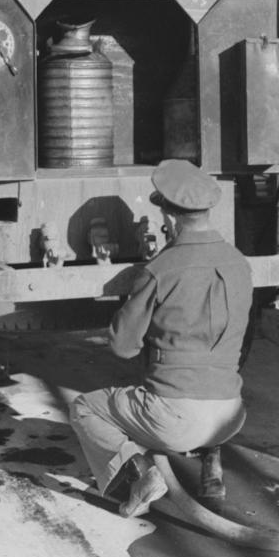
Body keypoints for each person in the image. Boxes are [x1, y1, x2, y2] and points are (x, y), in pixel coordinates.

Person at [68, 159, 253, 518]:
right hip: (232, 414)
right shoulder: (239, 263)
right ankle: (212, 467)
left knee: (84, 408)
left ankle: (140, 474)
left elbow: (123, 348)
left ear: (168, 218)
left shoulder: (161, 269)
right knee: (208, 380)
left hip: (177, 420)